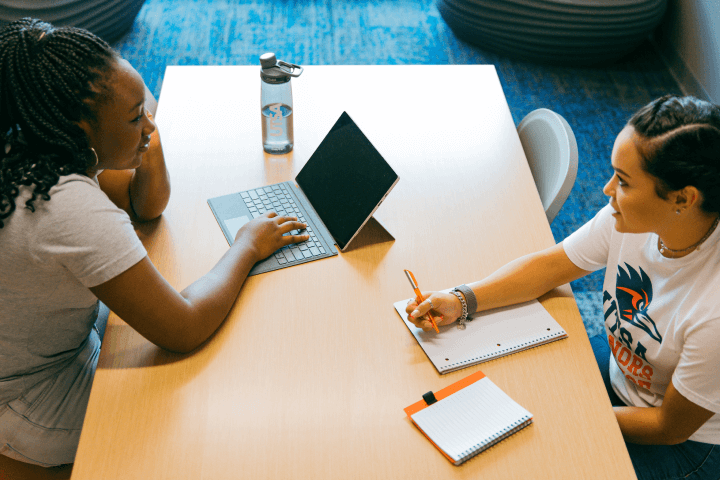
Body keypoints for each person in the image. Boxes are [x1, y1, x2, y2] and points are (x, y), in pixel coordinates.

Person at [0, 18, 309, 468]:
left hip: (36, 351)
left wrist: (143, 138)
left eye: (145, 108)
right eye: (133, 118)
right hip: (32, 404)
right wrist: (247, 245)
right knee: (212, 383)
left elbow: (145, 204)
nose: (149, 123)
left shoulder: (31, 145)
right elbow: (182, 329)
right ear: (78, 127)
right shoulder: (69, 210)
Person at [406, 95, 720, 480]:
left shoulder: (714, 313)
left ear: (683, 199)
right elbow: (551, 267)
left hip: (685, 446)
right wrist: (462, 299)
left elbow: (669, 427)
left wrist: (562, 415)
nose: (607, 190)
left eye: (623, 181)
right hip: (627, 371)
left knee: (531, 460)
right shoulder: (630, 220)